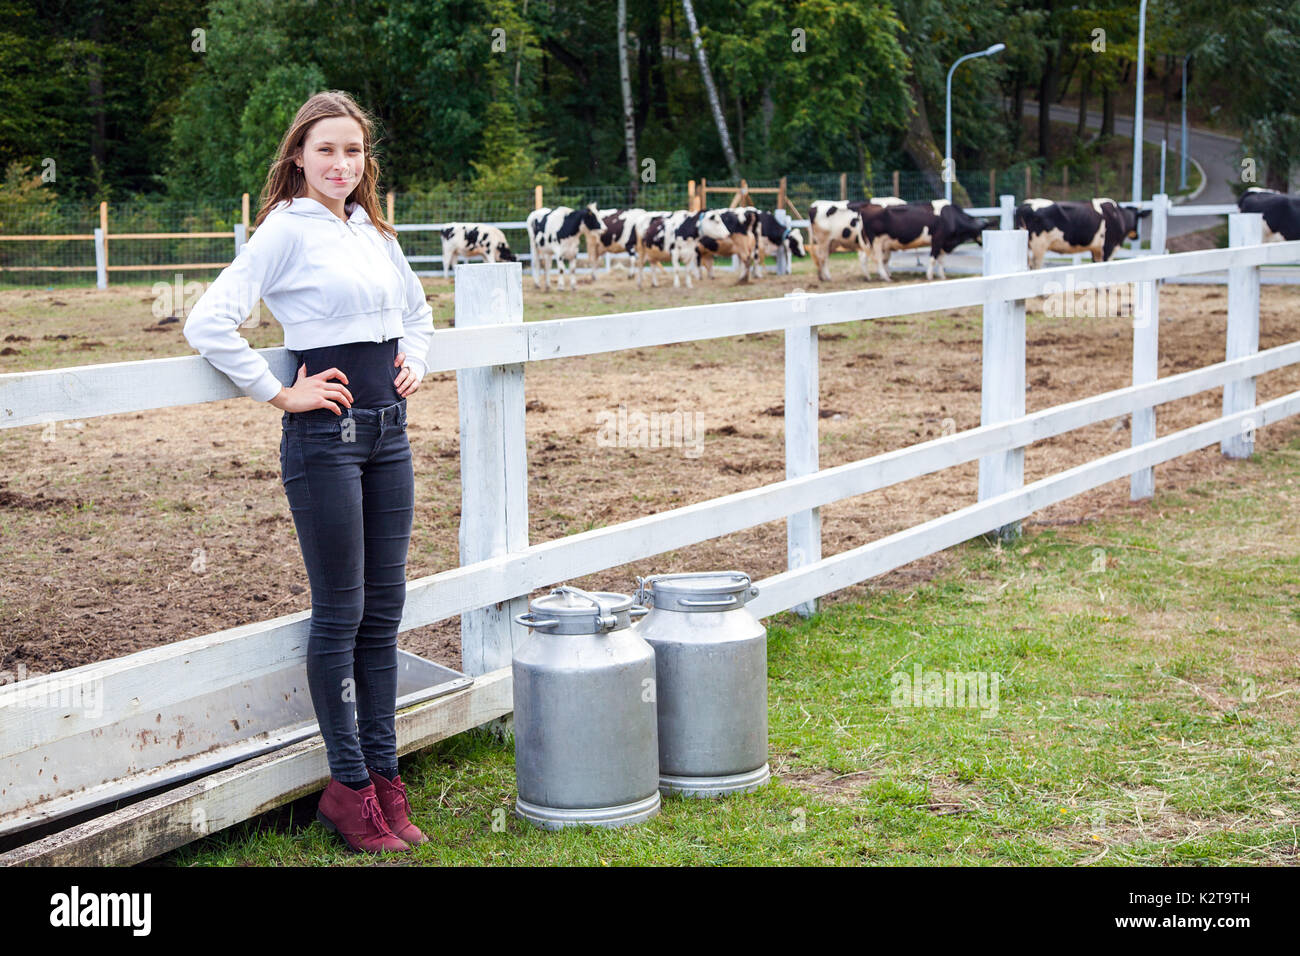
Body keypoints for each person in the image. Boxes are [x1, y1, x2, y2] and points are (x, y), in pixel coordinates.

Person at [183, 90, 435, 855]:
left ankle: (389, 783)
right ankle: (349, 788)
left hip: (389, 435)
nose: (341, 164)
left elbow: (419, 314)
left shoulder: (370, 228)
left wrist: (415, 360)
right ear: (298, 155)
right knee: (341, 614)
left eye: (353, 151)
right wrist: (280, 392)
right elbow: (208, 321)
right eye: (326, 149)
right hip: (325, 440)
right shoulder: (284, 231)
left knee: (384, 612)